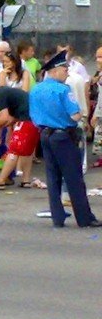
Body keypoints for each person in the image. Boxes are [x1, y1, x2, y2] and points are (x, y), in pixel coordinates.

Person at [29, 51, 102, 228]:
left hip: (45, 135)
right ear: (53, 71)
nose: (67, 72)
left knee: (52, 177)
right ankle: (85, 218)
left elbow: (32, 115)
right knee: (74, 178)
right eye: (64, 69)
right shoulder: (63, 89)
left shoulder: (36, 89)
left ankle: (58, 217)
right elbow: (75, 115)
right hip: (63, 136)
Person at [0, 76, 38, 189]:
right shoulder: (7, 92)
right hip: (34, 120)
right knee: (27, 151)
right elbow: (10, 119)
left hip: (25, 121)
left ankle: (0, 180)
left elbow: (4, 118)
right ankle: (25, 180)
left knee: (14, 150)